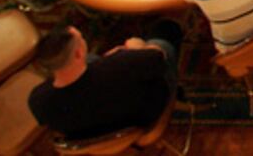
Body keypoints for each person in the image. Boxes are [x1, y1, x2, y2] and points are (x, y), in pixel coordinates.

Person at [28, 21, 182, 139]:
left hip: (91, 137)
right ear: (78, 54)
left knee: (91, 59)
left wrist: (105, 61)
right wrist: (138, 48)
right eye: (81, 39)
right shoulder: (123, 65)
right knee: (165, 33)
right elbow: (158, 58)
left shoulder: (37, 100)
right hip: (142, 119)